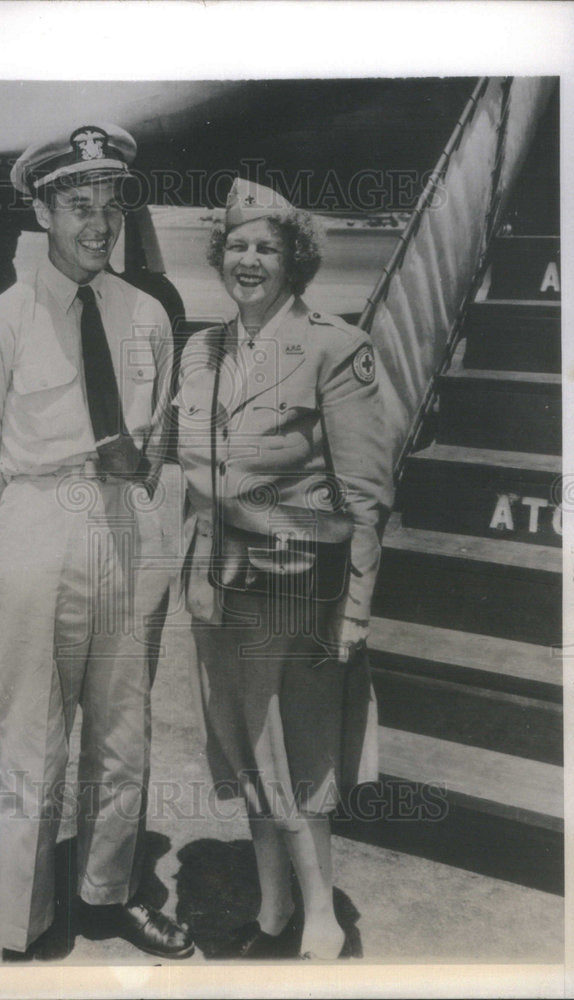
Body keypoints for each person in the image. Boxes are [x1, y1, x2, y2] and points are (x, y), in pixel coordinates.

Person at [0, 122, 193, 962]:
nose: (98, 224)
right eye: (78, 205)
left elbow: (156, 434)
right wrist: (27, 536)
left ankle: (107, 894)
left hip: (124, 530)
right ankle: (27, 917)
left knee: (125, 732)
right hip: (38, 532)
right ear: (43, 209)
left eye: (109, 205)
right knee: (31, 735)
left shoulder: (148, 315)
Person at [175, 178, 393, 960]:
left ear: (294, 258)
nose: (250, 260)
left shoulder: (338, 348)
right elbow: (197, 484)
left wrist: (356, 612)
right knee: (240, 752)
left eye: (267, 246)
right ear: (220, 256)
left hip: (298, 588)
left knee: (298, 761)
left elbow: (365, 499)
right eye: (237, 245)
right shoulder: (202, 350)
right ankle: (272, 910)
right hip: (217, 591)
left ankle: (323, 924)